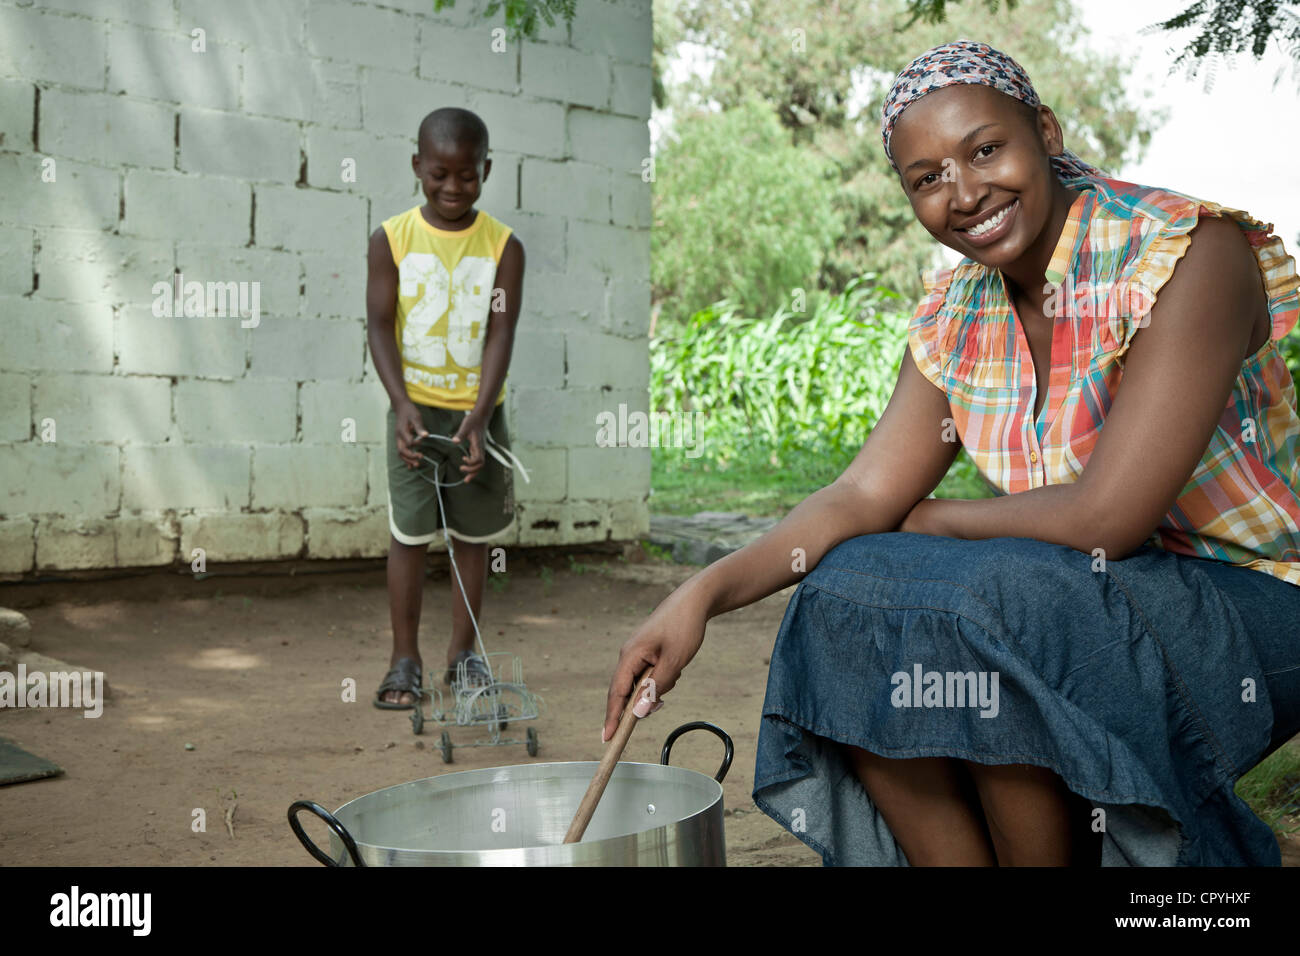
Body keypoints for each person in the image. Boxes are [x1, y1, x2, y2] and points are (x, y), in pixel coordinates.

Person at [603, 39, 1300, 866]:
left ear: (1044, 129)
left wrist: (932, 518)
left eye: (985, 150)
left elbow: (1108, 517)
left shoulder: (1183, 254)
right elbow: (863, 494)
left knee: (990, 607)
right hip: (1079, 598)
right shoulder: (957, 311)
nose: (964, 194)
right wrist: (702, 596)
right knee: (844, 593)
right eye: (927, 178)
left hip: (1251, 601)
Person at [368, 107, 526, 708]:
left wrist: (481, 417)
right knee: (409, 535)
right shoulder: (391, 239)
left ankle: (463, 657)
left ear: (485, 169)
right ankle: (403, 660)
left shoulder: (504, 247)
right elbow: (380, 326)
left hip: (478, 418)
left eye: (467, 175)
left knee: (472, 538)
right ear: (417, 167)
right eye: (439, 174)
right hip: (415, 414)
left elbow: (500, 334)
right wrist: (400, 403)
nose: (453, 188)